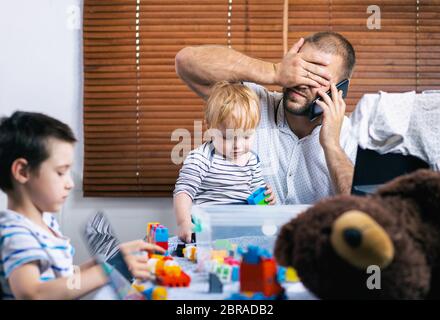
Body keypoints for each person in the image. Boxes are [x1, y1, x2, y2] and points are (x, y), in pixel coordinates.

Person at [175, 31, 358, 204]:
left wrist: (332, 145)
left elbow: (364, 212)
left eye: (317, 77)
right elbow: (186, 62)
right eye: (300, 69)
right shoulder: (249, 106)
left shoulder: (351, 137)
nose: (302, 81)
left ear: (341, 89)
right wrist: (273, 71)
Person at [0, 111, 164, 300]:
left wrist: (107, 263)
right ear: (22, 171)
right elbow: (33, 293)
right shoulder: (16, 232)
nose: (70, 183)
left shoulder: (46, 224)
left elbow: (66, 280)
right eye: (61, 172)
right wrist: (105, 272)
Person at [174, 81, 276, 243]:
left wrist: (266, 198)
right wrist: (184, 222)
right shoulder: (200, 158)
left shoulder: (252, 159)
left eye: (246, 136)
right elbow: (183, 192)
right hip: (209, 226)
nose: (238, 145)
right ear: (210, 128)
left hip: (243, 228)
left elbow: (257, 196)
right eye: (228, 137)